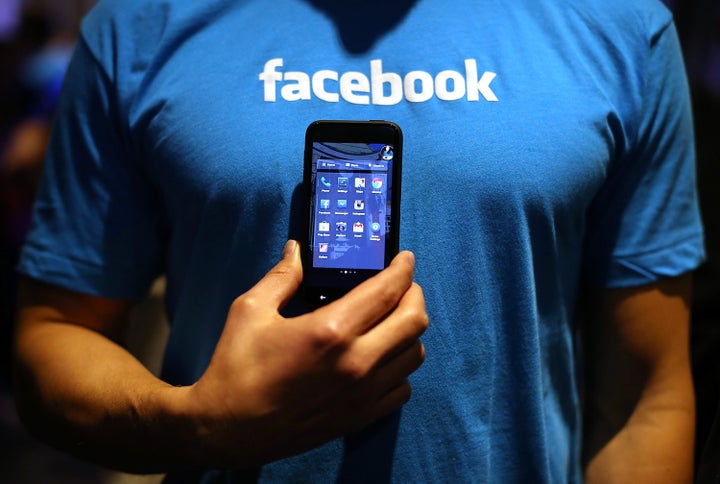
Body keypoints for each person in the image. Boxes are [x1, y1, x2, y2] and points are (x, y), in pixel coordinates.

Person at [11, 0, 705, 482]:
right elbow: (51, 337)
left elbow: (645, 397)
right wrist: (195, 424)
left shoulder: (621, 27)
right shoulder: (137, 25)